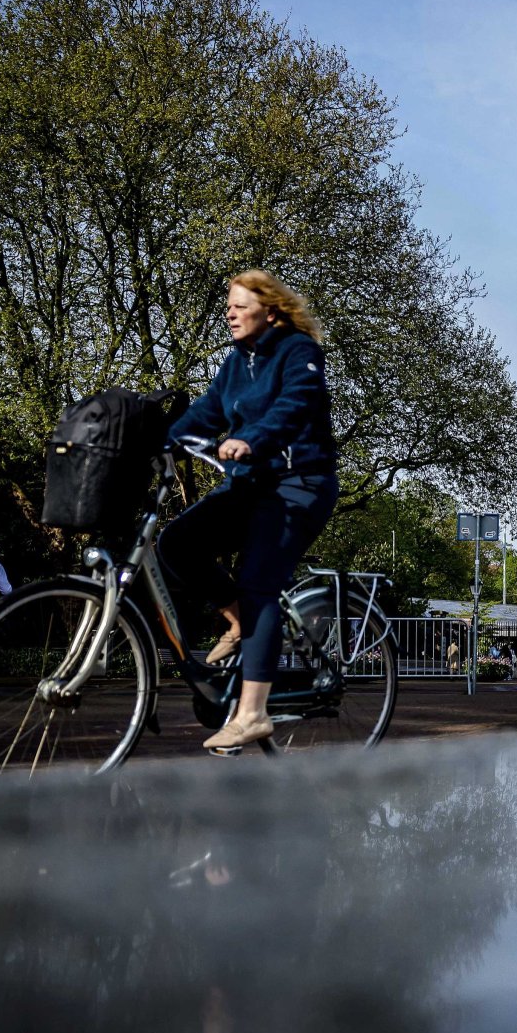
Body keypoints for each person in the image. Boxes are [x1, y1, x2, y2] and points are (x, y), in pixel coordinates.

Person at [157, 270, 339, 751]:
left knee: (259, 584)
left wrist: (252, 438)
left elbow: (294, 407)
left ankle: (253, 713)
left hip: (298, 485)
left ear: (271, 311)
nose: (230, 312)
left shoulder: (299, 352)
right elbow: (205, 411)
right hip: (250, 485)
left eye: (240, 305)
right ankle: (239, 623)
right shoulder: (237, 361)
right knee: (176, 543)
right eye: (229, 306)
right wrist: (158, 442)